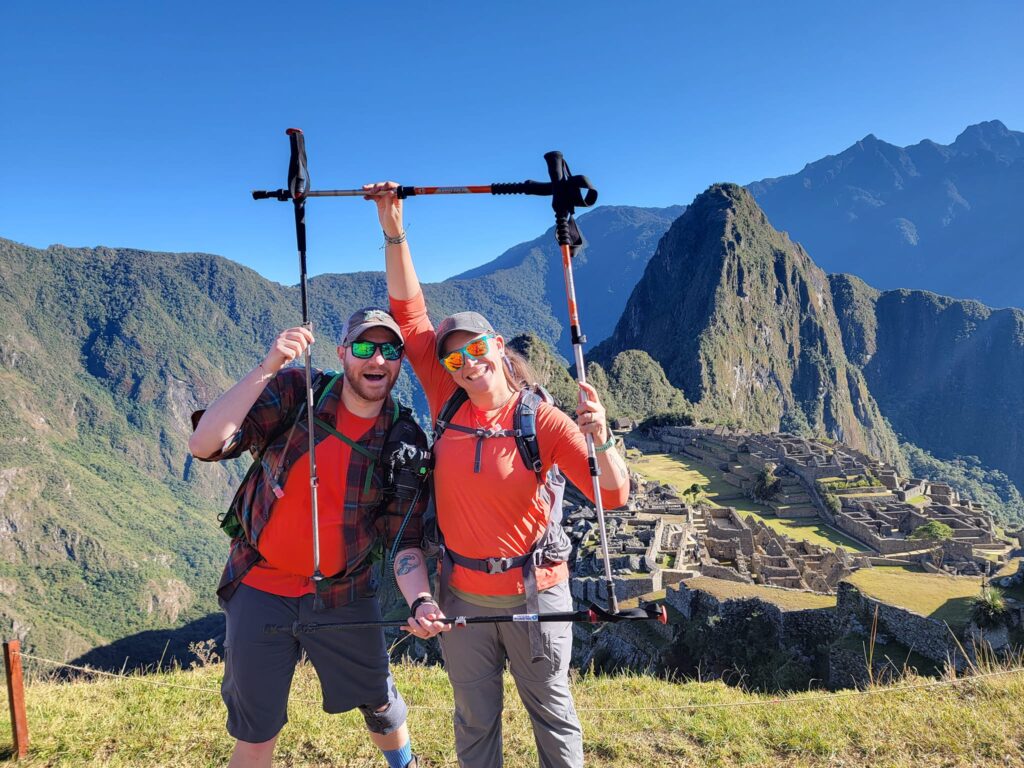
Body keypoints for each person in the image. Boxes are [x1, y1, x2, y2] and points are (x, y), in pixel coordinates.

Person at [364, 181, 631, 768]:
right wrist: (393, 228)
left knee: (554, 718)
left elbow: (612, 495)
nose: (467, 362)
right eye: (454, 356)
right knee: (474, 721)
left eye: (476, 347)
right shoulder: (448, 398)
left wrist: (602, 438)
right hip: (462, 599)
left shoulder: (547, 421)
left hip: (536, 596)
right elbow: (410, 314)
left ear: (498, 343)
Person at [189, 307, 446, 768]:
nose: (378, 359)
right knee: (256, 725)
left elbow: (403, 540)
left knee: (380, 701)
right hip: (260, 586)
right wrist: (269, 366)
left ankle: (404, 765)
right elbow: (205, 444)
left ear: (400, 361)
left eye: (390, 350)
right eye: (365, 347)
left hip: (341, 591)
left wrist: (421, 600)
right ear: (343, 352)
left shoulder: (402, 441)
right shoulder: (296, 393)